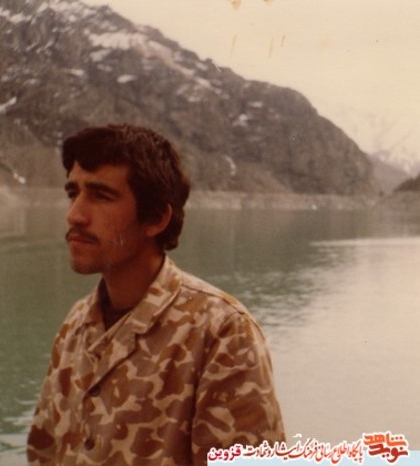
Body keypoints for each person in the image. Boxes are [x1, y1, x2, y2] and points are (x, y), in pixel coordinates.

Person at [27, 124, 285, 465]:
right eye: (73, 193)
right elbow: (43, 453)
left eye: (101, 196)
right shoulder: (75, 325)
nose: (74, 214)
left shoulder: (220, 333)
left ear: (156, 218)